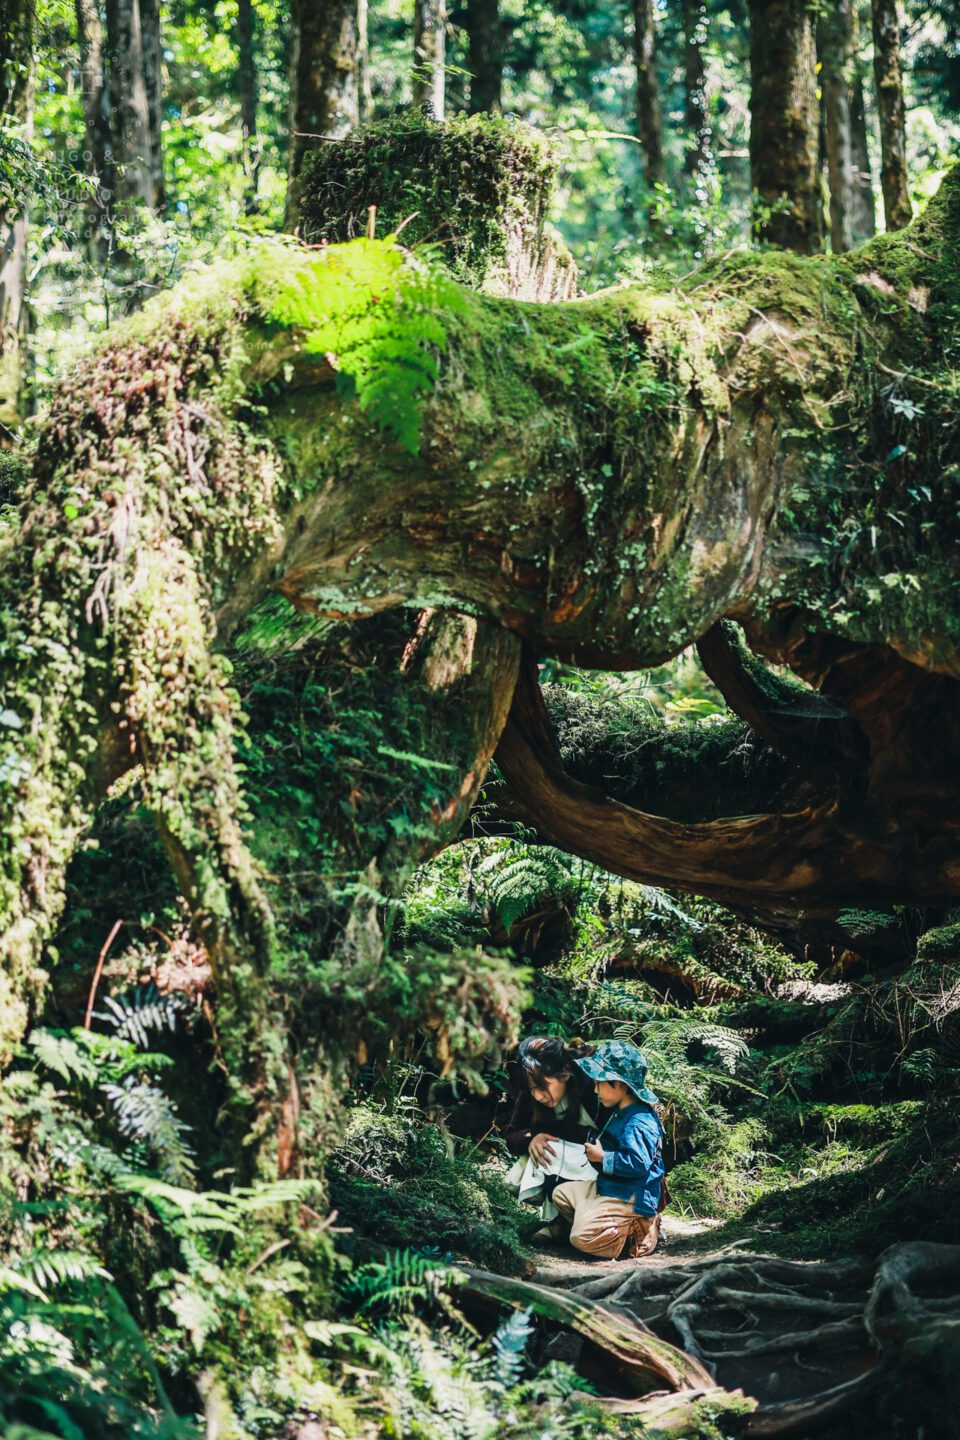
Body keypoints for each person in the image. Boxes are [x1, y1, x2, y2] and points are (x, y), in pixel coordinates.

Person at [551, 1039, 666, 1261]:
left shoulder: (639, 1122)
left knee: (580, 1238)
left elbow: (638, 1164)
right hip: (610, 1187)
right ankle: (600, 1221)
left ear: (620, 1084)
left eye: (600, 1083)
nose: (595, 1090)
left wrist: (603, 1157)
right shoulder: (621, 1110)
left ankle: (635, 1233)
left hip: (630, 1197)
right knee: (561, 1194)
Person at [502, 1036, 603, 1236]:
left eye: (543, 1086)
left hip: (601, 1161)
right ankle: (560, 1219)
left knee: (556, 1146)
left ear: (564, 1074)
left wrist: (553, 1133)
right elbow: (512, 1135)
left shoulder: (592, 1083)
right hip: (565, 1160)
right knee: (547, 1149)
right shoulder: (531, 1091)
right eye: (532, 1089)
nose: (538, 1096)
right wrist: (532, 1138)